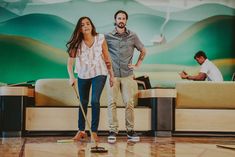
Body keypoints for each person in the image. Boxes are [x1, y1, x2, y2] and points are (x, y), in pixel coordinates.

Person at [67, 16, 114, 142]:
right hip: (83, 74)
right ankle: (81, 131)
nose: (86, 26)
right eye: (82, 25)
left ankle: (94, 132)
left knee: (94, 101)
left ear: (92, 25)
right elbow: (69, 64)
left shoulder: (100, 38)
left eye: (88, 23)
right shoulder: (76, 43)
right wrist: (72, 77)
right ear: (80, 29)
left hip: (100, 72)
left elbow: (107, 57)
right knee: (83, 102)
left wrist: (111, 75)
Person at [105, 10, 147, 143]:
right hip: (113, 75)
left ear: (126, 21)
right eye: (119, 18)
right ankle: (113, 131)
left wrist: (138, 64)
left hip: (128, 75)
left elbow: (143, 50)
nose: (121, 20)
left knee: (129, 102)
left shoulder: (133, 36)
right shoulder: (107, 36)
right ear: (115, 20)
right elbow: (102, 53)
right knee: (112, 103)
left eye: (123, 18)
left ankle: (130, 131)